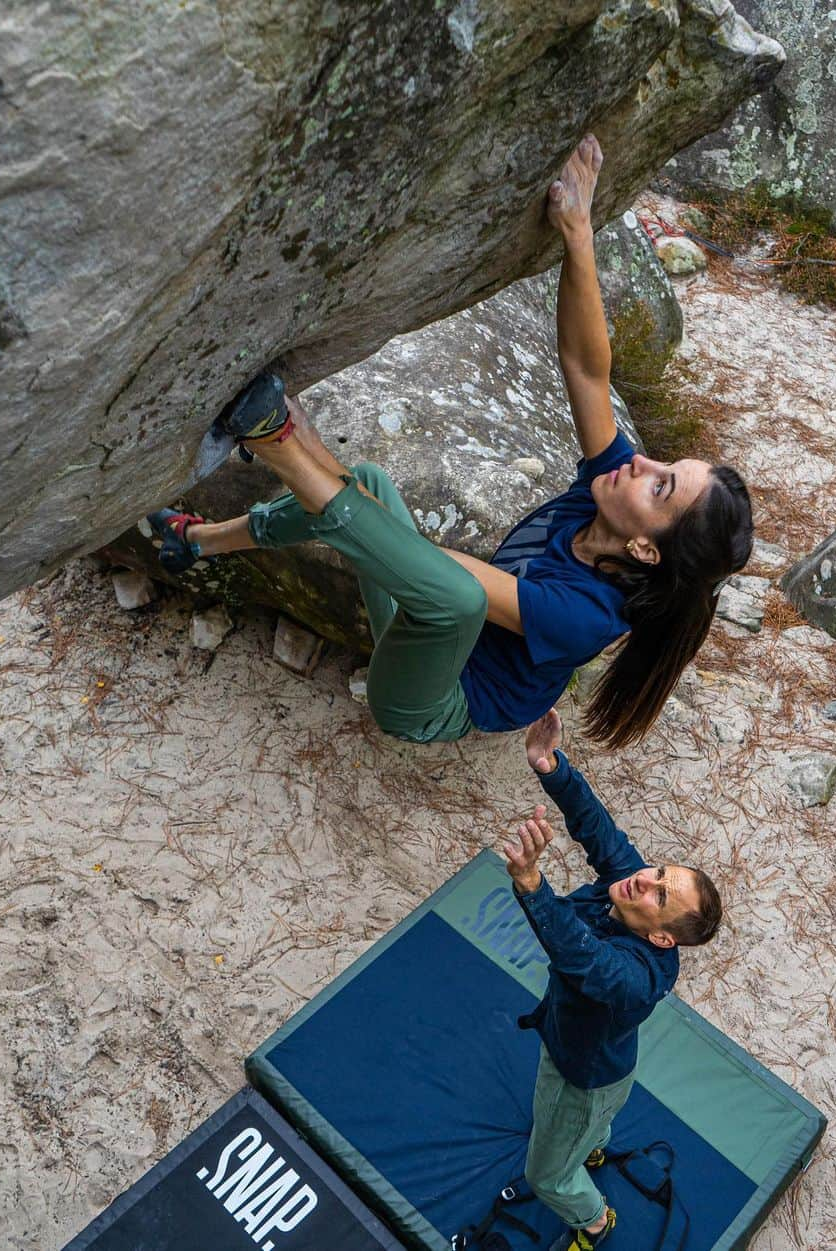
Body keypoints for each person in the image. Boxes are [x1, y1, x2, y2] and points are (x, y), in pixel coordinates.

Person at [148, 135, 753, 746]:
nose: (641, 462)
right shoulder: (611, 491)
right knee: (370, 487)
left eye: (662, 485)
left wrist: (306, 449)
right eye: (662, 464)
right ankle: (194, 542)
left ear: (647, 551)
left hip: (429, 703)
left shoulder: (588, 617)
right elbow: (588, 368)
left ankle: (275, 441)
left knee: (458, 596)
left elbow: (444, 578)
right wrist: (578, 232)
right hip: (425, 630)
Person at [503, 709, 723, 1249]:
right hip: (596, 1062)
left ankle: (595, 1220)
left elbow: (580, 956)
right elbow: (598, 828)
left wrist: (532, 883)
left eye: (661, 894)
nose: (644, 880)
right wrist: (551, 767)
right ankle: (593, 1146)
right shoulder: (634, 888)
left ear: (665, 938)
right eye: (661, 872)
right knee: (584, 1130)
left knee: (546, 1175)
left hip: (583, 1076)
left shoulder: (636, 976)